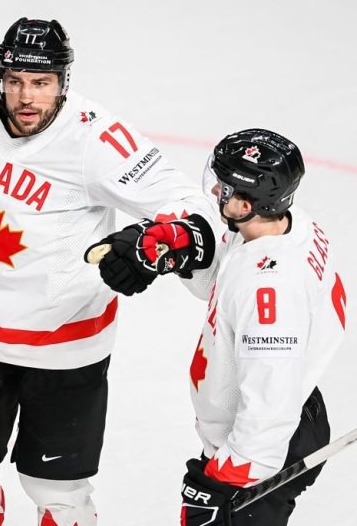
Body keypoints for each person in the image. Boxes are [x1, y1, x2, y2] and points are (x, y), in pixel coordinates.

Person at [0, 17, 219, 526]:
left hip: (64, 345)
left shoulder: (96, 139)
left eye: (41, 83)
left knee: (57, 492)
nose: (26, 97)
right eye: (14, 82)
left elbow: (185, 202)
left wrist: (155, 244)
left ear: (63, 81)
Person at [101, 129, 344, 525]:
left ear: (248, 202)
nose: (215, 192)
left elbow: (270, 403)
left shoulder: (269, 290)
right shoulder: (283, 227)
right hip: (280, 420)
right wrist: (187, 250)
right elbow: (225, 286)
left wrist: (224, 481)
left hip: (264, 449)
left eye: (225, 188)